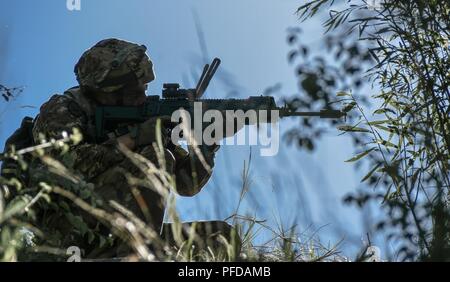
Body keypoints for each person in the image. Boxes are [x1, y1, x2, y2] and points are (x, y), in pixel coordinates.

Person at [5, 38, 240, 260]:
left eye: (145, 89)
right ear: (107, 91)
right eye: (135, 91)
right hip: (67, 235)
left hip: (120, 234)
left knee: (221, 238)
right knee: (156, 157)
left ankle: (140, 253)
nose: (142, 98)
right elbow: (66, 165)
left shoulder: (143, 118)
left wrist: (208, 145)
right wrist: (135, 138)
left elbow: (186, 184)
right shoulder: (62, 108)